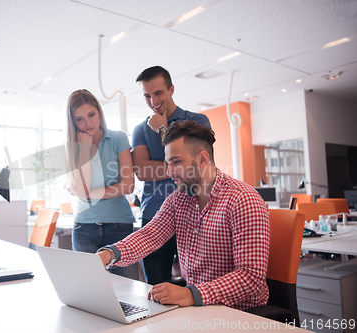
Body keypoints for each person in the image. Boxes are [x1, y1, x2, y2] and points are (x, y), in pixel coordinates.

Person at [98, 120, 270, 310]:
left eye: (176, 162)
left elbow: (251, 278)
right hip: (198, 308)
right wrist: (109, 255)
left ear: (203, 159)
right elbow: (150, 236)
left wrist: (191, 294)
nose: (169, 172)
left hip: (239, 314)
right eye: (167, 163)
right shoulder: (179, 199)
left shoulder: (243, 199)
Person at [131, 65, 211, 285]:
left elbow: (198, 167)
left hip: (193, 215)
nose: (153, 101)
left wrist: (163, 131)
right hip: (154, 215)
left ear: (171, 89)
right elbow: (142, 172)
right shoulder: (140, 130)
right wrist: (179, 162)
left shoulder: (197, 122)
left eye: (158, 93)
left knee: (197, 285)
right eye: (147, 95)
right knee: (157, 288)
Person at [65, 89, 138, 279]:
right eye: (79, 119)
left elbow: (128, 185)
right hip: (84, 227)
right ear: (72, 121)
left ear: (99, 111)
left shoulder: (118, 138)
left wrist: (90, 194)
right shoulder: (72, 146)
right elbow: (81, 189)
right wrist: (83, 150)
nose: (88, 123)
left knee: (128, 287)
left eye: (91, 114)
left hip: (119, 225)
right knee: (88, 289)